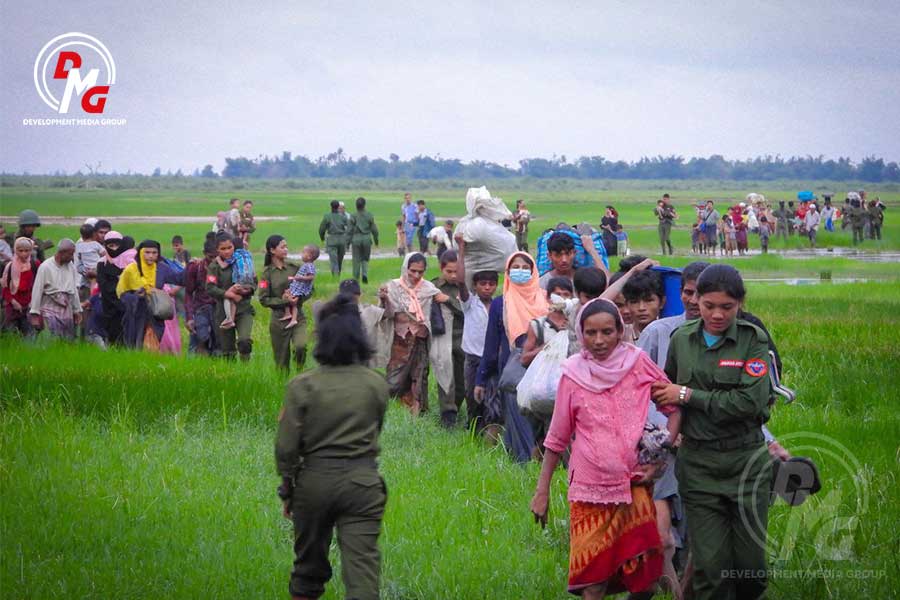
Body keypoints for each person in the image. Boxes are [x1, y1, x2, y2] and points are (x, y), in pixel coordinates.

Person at [531, 298, 676, 599]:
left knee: (646, 580)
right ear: (580, 333)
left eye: (607, 332)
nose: (599, 341)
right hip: (589, 491)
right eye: (590, 333)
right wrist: (542, 491)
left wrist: (663, 448)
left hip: (634, 485)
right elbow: (557, 437)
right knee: (593, 582)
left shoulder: (637, 362)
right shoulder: (572, 373)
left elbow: (673, 405)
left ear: (620, 330)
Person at [653, 264, 773, 600]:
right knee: (710, 568)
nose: (717, 315)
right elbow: (668, 395)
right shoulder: (682, 340)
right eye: (709, 306)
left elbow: (749, 403)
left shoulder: (753, 340)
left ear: (740, 303)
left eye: (727, 307)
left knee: (752, 570)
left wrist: (689, 395)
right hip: (699, 465)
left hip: (746, 463)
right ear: (695, 300)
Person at [275, 293, 389, 600]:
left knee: (307, 571)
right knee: (363, 571)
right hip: (363, 483)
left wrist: (288, 488)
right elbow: (375, 428)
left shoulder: (302, 385)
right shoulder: (376, 383)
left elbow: (286, 447)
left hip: (313, 484)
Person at [475, 252, 549, 458]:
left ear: (534, 271)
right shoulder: (501, 304)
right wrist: (481, 379)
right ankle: (521, 463)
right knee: (517, 421)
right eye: (515, 267)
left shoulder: (546, 299)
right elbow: (491, 345)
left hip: (542, 370)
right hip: (513, 372)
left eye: (526, 268)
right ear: (508, 272)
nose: (521, 271)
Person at [382, 253, 450, 415]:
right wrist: (385, 299)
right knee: (395, 379)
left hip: (420, 340)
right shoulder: (393, 287)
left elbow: (447, 302)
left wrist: (449, 298)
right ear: (405, 268)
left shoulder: (428, 289)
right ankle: (394, 409)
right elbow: (388, 314)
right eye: (412, 271)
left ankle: (417, 412)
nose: (416, 275)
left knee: (419, 376)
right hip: (399, 341)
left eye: (421, 271)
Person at [454, 235, 499, 431]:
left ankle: (489, 428)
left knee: (492, 396)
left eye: (491, 283)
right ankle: (473, 428)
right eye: (483, 284)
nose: (487, 287)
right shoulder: (470, 303)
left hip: (493, 359)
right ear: (475, 286)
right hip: (473, 358)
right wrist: (461, 249)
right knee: (473, 397)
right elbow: (460, 281)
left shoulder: (499, 305)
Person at [115, 239, 185, 351]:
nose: (151, 256)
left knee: (152, 344)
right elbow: (121, 293)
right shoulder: (131, 270)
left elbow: (179, 279)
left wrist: (192, 266)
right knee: (135, 345)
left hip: (155, 314)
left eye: (154, 253)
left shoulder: (162, 268)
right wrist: (136, 296)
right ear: (140, 253)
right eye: (147, 252)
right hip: (135, 314)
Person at [259, 235, 309, 372]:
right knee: (281, 362)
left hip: (298, 317)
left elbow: (310, 288)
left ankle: (300, 371)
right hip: (279, 320)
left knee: (301, 346)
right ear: (272, 250)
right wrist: (284, 301)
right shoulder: (267, 274)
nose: (286, 249)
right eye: (282, 247)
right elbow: (263, 299)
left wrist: (298, 298)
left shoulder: (295, 268)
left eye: (286, 246)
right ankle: (282, 386)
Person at [205, 233, 256, 361]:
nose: (227, 251)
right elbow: (210, 288)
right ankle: (232, 376)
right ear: (217, 250)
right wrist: (229, 294)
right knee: (227, 350)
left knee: (244, 341)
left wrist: (246, 291)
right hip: (223, 311)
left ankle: (246, 370)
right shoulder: (214, 267)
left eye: (230, 247)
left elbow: (254, 281)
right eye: (223, 249)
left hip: (244, 309)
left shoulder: (242, 261)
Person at [430, 250, 466, 428]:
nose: (453, 275)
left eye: (456, 271)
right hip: (442, 338)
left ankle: (457, 407)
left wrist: (448, 300)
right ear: (441, 268)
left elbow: (470, 310)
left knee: (462, 379)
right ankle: (447, 414)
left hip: (463, 338)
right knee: (445, 376)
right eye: (449, 271)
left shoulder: (466, 286)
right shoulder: (433, 286)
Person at [29, 239, 81, 339]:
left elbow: (73, 290)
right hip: (49, 308)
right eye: (70, 254)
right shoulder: (45, 267)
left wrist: (77, 310)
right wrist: (35, 312)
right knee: (53, 337)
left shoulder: (71, 267)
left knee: (67, 339)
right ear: (62, 253)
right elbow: (37, 289)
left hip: (67, 308)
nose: (72, 258)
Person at [95, 232, 135, 346]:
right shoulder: (102, 263)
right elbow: (104, 286)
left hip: (127, 306)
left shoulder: (127, 261)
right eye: (110, 246)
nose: (114, 249)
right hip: (110, 307)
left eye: (116, 245)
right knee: (113, 337)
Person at [185, 236, 219, 356]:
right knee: (201, 338)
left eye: (217, 256)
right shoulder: (196, 268)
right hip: (201, 308)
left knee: (218, 344)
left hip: (218, 309)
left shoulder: (224, 267)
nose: (214, 260)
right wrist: (189, 317)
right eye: (211, 257)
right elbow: (188, 293)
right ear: (204, 254)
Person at [2, 237, 39, 335]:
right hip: (13, 307)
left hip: (29, 306)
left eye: (27, 251)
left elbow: (38, 285)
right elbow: (5, 289)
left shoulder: (34, 264)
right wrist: (13, 302)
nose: (24, 254)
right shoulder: (10, 267)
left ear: (31, 251)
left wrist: (33, 302)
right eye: (20, 251)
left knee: (29, 335)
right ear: (15, 250)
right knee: (11, 335)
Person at [220, 239, 255, 330]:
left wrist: (218, 259)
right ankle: (231, 319)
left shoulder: (235, 255)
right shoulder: (248, 254)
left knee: (227, 295)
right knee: (233, 297)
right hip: (250, 282)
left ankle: (228, 317)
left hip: (240, 281)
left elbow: (223, 266)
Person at [282, 244, 319, 329]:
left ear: (309, 256)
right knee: (285, 295)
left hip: (299, 288)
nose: (301, 254)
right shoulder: (306, 265)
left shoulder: (309, 265)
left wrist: (300, 278)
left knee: (294, 303)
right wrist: (294, 278)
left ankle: (293, 319)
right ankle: (288, 313)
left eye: (303, 252)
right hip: (296, 286)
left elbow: (311, 277)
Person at [622, 270, 665, 340]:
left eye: (648, 300)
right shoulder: (621, 335)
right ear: (627, 304)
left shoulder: (669, 333)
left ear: (662, 302)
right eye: (634, 302)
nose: (641, 308)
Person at [348, 196, 379, 284]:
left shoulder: (353, 216)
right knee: (365, 258)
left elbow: (349, 230)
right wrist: (376, 241)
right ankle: (364, 274)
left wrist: (347, 243)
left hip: (356, 239)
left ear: (356, 205)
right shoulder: (369, 215)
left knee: (356, 260)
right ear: (364, 205)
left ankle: (355, 278)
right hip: (366, 239)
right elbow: (374, 230)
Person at [319, 200, 350, 277]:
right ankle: (338, 275)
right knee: (340, 260)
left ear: (331, 207)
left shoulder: (327, 216)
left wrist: (322, 238)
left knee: (334, 261)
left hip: (332, 240)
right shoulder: (343, 216)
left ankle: (335, 277)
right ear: (338, 207)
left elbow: (321, 229)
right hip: (342, 240)